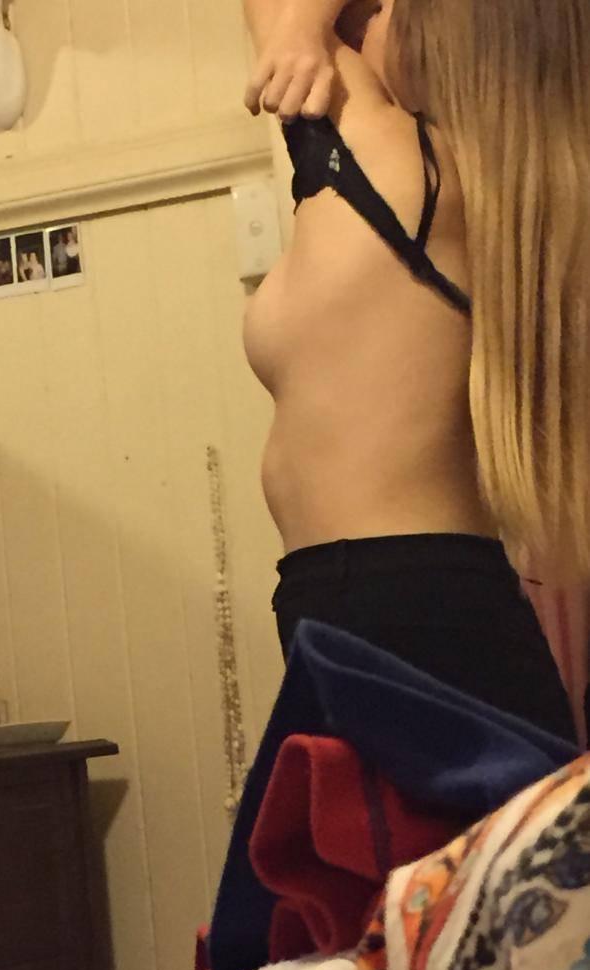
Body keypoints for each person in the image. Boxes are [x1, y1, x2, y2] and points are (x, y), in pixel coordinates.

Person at [240, 0, 590, 741]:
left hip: (390, 611)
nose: (358, 19)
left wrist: (299, 28)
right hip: (411, 609)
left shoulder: (402, 165)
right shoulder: (509, 197)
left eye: (381, 8)